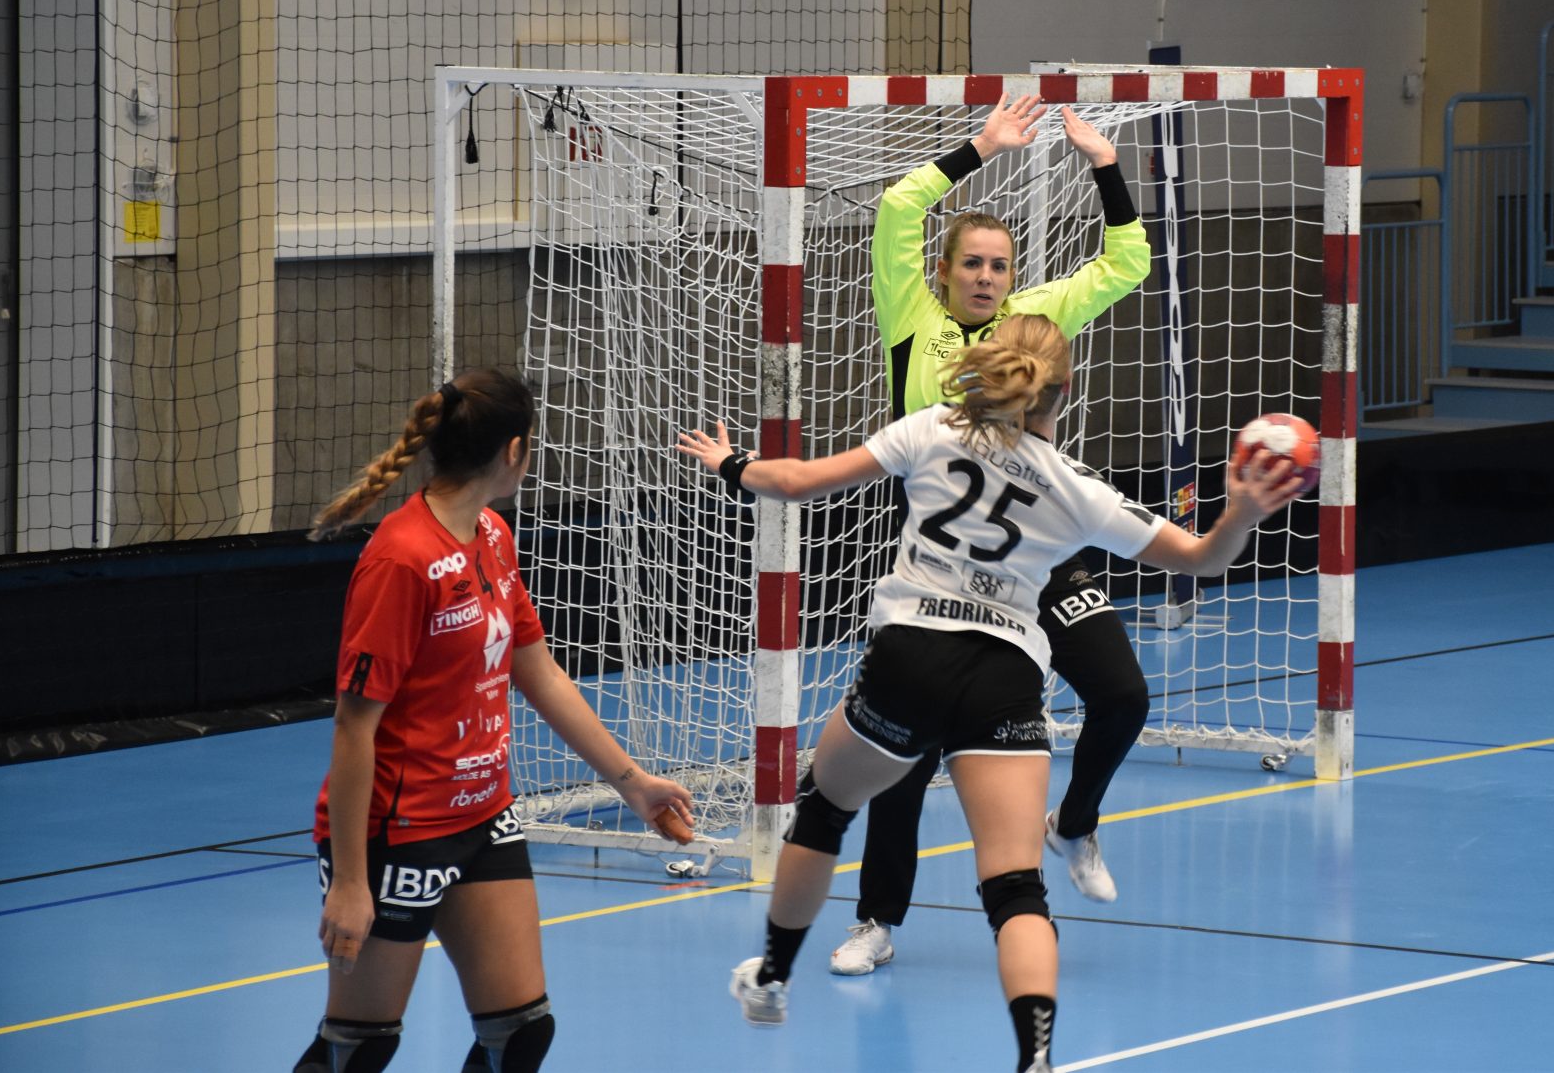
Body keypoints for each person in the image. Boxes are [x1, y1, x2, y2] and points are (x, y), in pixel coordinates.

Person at [678, 315, 1304, 1073]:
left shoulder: (932, 428)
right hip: (1004, 675)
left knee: (826, 807)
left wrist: (730, 462)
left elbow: (797, 483)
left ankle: (772, 979)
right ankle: (1034, 1058)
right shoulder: (1078, 488)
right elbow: (1201, 559)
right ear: (1064, 391)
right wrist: (1242, 510)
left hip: (910, 658)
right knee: (1015, 888)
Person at [834, 91, 1153, 978]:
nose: (985, 277)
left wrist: (1104, 165)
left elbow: (1126, 261)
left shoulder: (1033, 321)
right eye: (971, 263)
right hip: (942, 562)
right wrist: (981, 146)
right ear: (942, 273)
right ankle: (875, 918)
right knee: (907, 750)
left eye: (998, 265)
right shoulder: (913, 317)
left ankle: (1075, 824)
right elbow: (899, 205)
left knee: (1123, 695)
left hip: (1039, 551)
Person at [295, 370, 695, 1073]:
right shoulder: (401, 558)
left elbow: (538, 672)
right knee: (358, 1047)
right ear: (515, 450)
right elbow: (355, 727)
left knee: (520, 1033)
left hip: (483, 817)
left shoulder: (491, 534)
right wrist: (352, 882)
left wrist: (633, 783)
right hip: (399, 831)